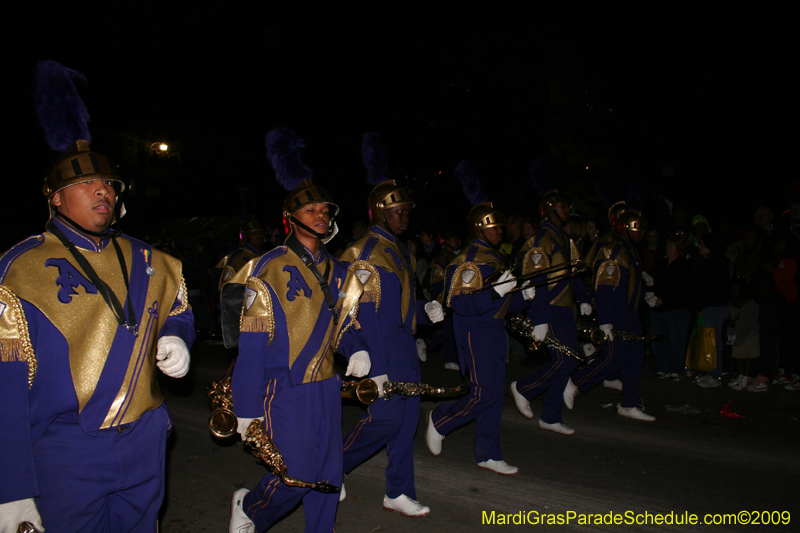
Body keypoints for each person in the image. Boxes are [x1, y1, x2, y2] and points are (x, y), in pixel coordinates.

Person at [0, 140, 195, 531]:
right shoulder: (20, 268)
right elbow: (6, 387)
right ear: (55, 198)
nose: (104, 190)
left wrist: (176, 336)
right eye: (88, 182)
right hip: (66, 448)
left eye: (109, 183)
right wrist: (12, 487)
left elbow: (178, 309)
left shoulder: (150, 259)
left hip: (145, 438)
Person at [226, 129, 372, 533]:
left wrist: (357, 347)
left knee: (329, 471)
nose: (322, 215)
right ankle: (251, 507)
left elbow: (347, 322)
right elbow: (251, 342)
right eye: (312, 211)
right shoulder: (269, 265)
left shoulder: (341, 270)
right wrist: (245, 405)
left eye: (326, 210)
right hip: (282, 384)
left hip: (327, 383)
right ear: (290, 217)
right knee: (296, 470)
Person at [339, 179, 440, 517]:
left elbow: (401, 304)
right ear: (381, 212)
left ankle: (398, 491)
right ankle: (332, 466)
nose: (405, 216)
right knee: (386, 418)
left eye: (407, 211)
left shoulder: (398, 248)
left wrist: (425, 310)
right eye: (399, 211)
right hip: (380, 347)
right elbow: (363, 317)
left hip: (404, 345)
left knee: (407, 422)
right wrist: (378, 367)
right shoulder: (364, 252)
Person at [426, 202, 533, 474]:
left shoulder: (494, 256)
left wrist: (522, 297)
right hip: (476, 333)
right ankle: (441, 419)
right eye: (493, 227)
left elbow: (503, 303)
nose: (500, 231)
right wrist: (497, 293)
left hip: (496, 332)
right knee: (484, 393)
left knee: (494, 396)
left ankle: (488, 453)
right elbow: (460, 304)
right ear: (479, 228)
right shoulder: (469, 259)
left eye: (499, 227)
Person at [508, 189, 591, 435]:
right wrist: (540, 318)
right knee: (566, 360)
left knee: (569, 360)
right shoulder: (541, 239)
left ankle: (551, 416)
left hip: (565, 308)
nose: (568, 209)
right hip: (551, 307)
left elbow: (573, 270)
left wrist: (583, 298)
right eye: (563, 205)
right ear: (550, 208)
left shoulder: (563, 239)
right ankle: (524, 388)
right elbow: (537, 280)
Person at [563, 209, 658, 421]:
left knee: (635, 357)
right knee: (614, 356)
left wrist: (645, 296)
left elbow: (628, 285)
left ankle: (629, 403)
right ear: (625, 228)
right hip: (616, 314)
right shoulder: (613, 252)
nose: (642, 232)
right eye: (638, 228)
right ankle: (574, 382)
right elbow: (605, 289)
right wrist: (605, 321)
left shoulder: (629, 250)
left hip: (629, 312)